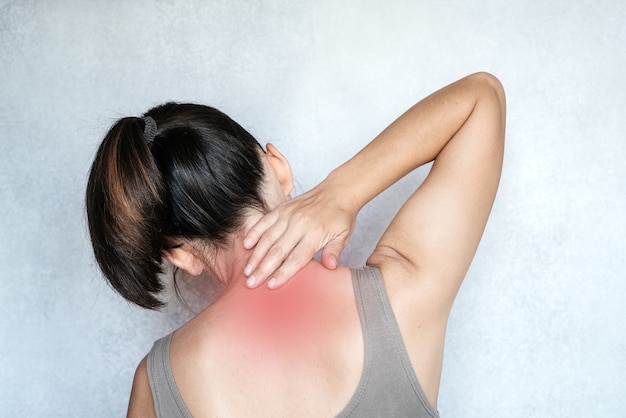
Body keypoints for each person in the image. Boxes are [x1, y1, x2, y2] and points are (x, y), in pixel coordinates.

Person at [86, 72, 505, 417]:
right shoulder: (402, 293)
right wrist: (341, 192)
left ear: (178, 253)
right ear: (277, 167)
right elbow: (480, 98)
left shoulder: (158, 384)